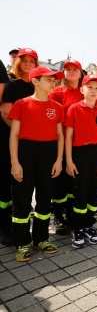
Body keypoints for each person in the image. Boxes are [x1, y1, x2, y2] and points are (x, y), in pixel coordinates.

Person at [8, 66, 64, 262]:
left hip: (48, 154)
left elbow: (60, 136)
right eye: (48, 79)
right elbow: (14, 135)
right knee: (22, 199)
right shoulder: (21, 104)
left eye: (54, 79)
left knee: (45, 198)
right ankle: (22, 242)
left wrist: (58, 160)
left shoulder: (57, 107)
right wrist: (15, 162)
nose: (53, 82)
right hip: (26, 152)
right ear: (35, 81)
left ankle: (40, 239)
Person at [65, 74, 97, 248]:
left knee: (94, 190)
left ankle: (88, 225)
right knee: (81, 191)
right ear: (82, 90)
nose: (93, 91)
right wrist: (69, 160)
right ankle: (77, 227)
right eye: (89, 87)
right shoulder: (74, 109)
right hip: (80, 153)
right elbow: (68, 137)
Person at [0, 48, 38, 246]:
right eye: (25, 60)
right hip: (11, 140)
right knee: (7, 185)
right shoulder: (12, 86)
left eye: (33, 61)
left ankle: (19, 222)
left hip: (30, 143)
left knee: (22, 184)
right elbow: (6, 113)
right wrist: (21, 133)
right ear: (18, 63)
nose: (29, 64)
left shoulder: (36, 86)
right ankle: (4, 227)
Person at [49, 59, 84, 236]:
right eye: (68, 69)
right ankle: (57, 214)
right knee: (60, 180)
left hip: (79, 143)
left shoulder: (85, 92)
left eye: (74, 69)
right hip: (60, 141)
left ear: (80, 72)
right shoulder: (56, 92)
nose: (71, 72)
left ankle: (70, 212)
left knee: (74, 179)